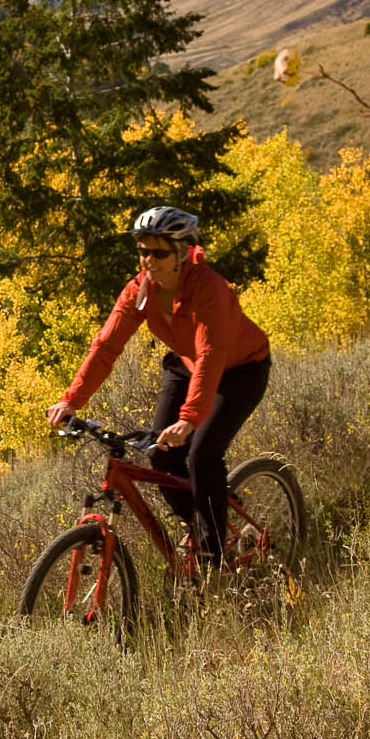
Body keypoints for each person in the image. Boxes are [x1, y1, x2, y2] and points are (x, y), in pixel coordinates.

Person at [46, 206, 271, 564]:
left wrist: (189, 418)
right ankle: (198, 525)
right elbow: (107, 346)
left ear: (182, 253)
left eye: (159, 252)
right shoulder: (140, 290)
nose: (148, 260)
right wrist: (72, 400)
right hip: (187, 365)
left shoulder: (209, 288)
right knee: (161, 455)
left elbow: (212, 352)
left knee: (201, 453)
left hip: (241, 369)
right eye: (143, 250)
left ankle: (214, 553)